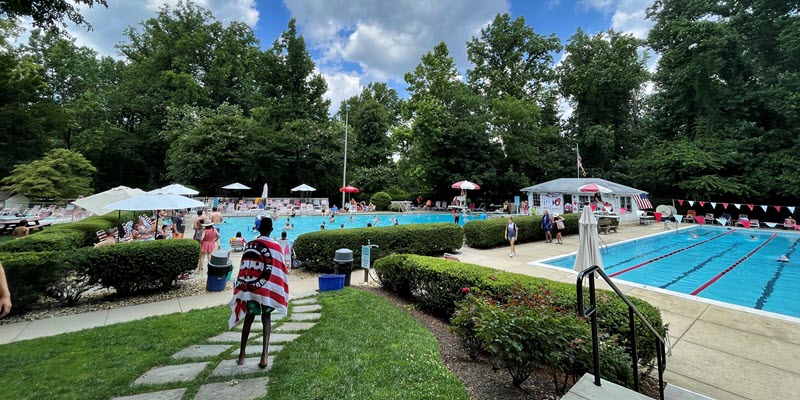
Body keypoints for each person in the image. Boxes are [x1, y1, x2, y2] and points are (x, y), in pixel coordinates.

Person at [229, 217, 289, 368]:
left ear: (258, 228)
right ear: (272, 229)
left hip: (252, 289)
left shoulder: (250, 245)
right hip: (266, 289)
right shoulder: (275, 247)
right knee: (266, 318)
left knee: (248, 318)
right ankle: (264, 356)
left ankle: (242, 355)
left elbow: (244, 267)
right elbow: (280, 269)